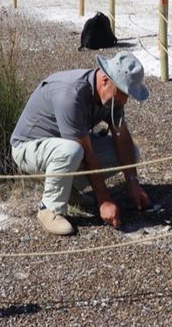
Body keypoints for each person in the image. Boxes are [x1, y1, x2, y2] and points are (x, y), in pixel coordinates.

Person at [10, 52, 152, 236]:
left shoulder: (112, 99)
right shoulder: (70, 95)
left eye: (128, 95)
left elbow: (121, 136)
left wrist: (133, 182)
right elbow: (87, 154)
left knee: (131, 151)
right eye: (123, 92)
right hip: (28, 148)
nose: (124, 100)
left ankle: (68, 189)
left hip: (66, 145)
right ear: (105, 80)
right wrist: (104, 200)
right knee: (73, 150)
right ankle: (50, 208)